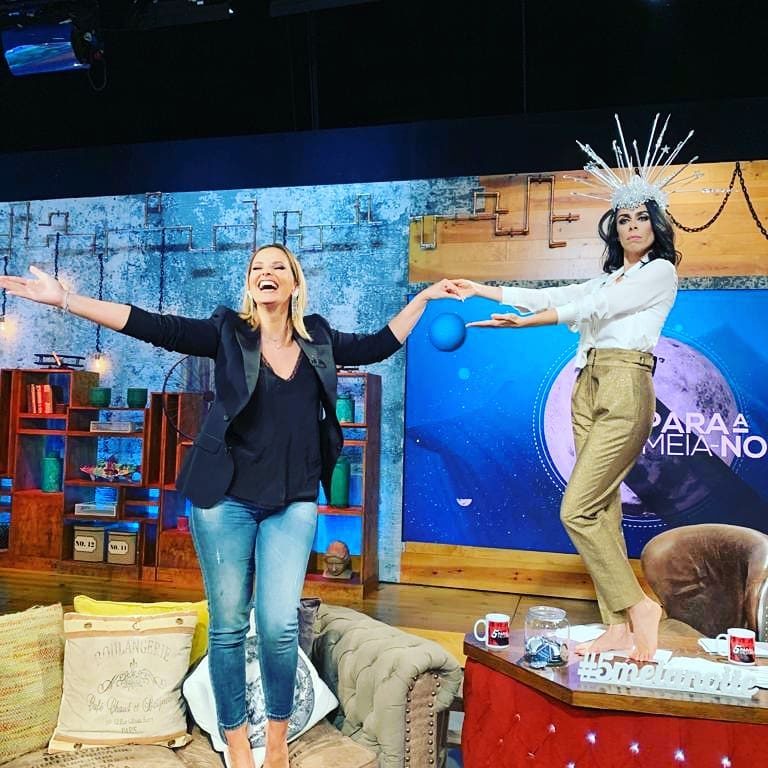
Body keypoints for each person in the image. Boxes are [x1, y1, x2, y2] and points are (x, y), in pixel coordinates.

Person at [0, 243, 461, 768]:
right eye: (257, 268)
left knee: (278, 625)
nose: (266, 273)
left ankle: (277, 739)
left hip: (293, 500)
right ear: (250, 283)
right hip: (224, 499)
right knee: (228, 626)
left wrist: (423, 299)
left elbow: (379, 344)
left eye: (278, 267)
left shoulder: (319, 338)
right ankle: (237, 739)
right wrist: (66, 300)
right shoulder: (227, 332)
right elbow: (153, 326)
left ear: (294, 283)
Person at [456, 198, 678, 662]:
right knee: (602, 511)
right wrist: (483, 290)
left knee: (576, 510)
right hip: (587, 383)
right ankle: (617, 627)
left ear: (656, 226)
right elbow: (556, 295)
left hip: (625, 382)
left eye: (642, 219)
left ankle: (640, 607)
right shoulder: (611, 276)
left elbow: (595, 307)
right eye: (624, 220)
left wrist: (526, 325)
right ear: (614, 230)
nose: (632, 227)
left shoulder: (660, 272)